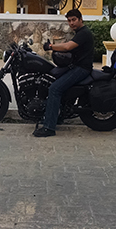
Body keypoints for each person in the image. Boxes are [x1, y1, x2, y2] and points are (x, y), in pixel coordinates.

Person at [34, 9, 94, 137]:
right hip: (75, 66)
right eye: (69, 21)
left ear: (80, 19)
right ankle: (58, 115)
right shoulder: (79, 33)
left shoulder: (84, 33)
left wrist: (50, 47)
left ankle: (49, 127)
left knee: (55, 89)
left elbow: (67, 47)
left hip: (81, 69)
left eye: (74, 20)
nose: (71, 23)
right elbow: (67, 44)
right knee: (52, 77)